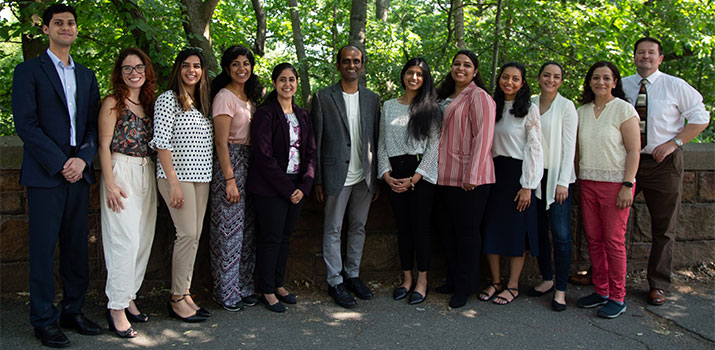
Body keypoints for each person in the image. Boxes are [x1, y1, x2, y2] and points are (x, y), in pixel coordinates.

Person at [12, 4, 102, 347]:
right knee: (43, 249)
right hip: (45, 173)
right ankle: (43, 319)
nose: (66, 27)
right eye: (59, 23)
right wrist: (60, 162)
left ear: (76, 30)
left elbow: (94, 126)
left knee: (77, 247)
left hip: (79, 173)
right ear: (46, 29)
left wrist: (82, 160)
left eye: (71, 23)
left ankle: (73, 310)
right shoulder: (28, 71)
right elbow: (27, 125)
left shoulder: (86, 75)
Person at [622, 37, 710, 306]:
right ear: (634, 56)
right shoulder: (622, 85)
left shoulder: (675, 86)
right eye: (640, 52)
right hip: (626, 163)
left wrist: (675, 143)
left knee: (664, 227)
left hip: (663, 165)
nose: (645, 57)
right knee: (614, 222)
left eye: (651, 53)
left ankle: (658, 284)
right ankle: (603, 274)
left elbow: (700, 118)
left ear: (660, 58)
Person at [311, 45, 381, 309]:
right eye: (346, 61)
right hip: (335, 175)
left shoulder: (372, 99)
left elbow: (375, 139)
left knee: (358, 228)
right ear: (338, 65)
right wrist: (318, 178)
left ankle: (352, 275)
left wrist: (377, 179)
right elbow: (316, 141)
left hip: (364, 176)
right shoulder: (322, 97)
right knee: (332, 229)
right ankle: (335, 281)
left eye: (357, 61)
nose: (352, 65)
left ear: (362, 65)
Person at [150, 47, 213, 323]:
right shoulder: (167, 99)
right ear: (179, 69)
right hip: (177, 176)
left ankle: (186, 292)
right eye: (186, 65)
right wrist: (173, 182)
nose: (192, 70)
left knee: (195, 236)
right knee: (186, 234)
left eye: (197, 66)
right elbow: (161, 142)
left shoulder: (202, 102)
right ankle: (176, 298)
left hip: (202, 176)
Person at [98, 47, 157, 338]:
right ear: (119, 73)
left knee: (143, 238)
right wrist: (110, 184)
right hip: (121, 170)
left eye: (139, 68)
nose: (134, 73)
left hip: (146, 171)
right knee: (124, 240)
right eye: (127, 68)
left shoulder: (149, 102)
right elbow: (103, 146)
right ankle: (116, 307)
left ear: (146, 71)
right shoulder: (113, 103)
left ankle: (129, 295)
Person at [247, 63, 316, 313]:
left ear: (297, 83)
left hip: (297, 185)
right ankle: (266, 289)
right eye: (282, 80)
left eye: (292, 80)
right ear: (275, 83)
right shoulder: (266, 113)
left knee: (285, 238)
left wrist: (304, 185)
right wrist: (287, 189)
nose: (287, 84)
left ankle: (278, 283)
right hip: (271, 187)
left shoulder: (303, 114)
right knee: (270, 238)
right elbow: (263, 156)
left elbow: (310, 152)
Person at [575, 61, 640, 319]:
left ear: (615, 82)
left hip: (616, 185)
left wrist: (628, 184)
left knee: (613, 241)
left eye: (606, 78)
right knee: (594, 238)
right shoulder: (581, 111)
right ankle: (601, 290)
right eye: (595, 78)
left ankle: (617, 296)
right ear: (589, 82)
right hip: (587, 182)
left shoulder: (624, 110)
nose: (600, 82)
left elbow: (634, 150)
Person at [434, 50, 496, 308]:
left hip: (470, 178)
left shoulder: (479, 97)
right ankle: (452, 278)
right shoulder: (443, 97)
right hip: (442, 175)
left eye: (467, 65)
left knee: (467, 234)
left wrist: (473, 174)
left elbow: (484, 137)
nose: (461, 68)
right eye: (457, 63)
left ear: (475, 71)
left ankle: (466, 285)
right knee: (447, 232)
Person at [378, 58, 442, 305]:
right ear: (403, 75)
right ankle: (406, 279)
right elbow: (381, 142)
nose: (414, 77)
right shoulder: (389, 106)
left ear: (425, 79)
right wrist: (385, 174)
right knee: (402, 228)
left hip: (420, 175)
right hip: (394, 173)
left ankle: (422, 281)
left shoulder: (431, 108)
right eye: (410, 73)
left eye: (419, 74)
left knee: (420, 229)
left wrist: (415, 178)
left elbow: (434, 146)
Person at [481, 62, 543, 305]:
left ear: (523, 83)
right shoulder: (491, 106)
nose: (509, 82)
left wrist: (528, 184)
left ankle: (513, 285)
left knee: (518, 232)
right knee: (491, 230)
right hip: (493, 174)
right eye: (505, 77)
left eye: (515, 79)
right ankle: (495, 281)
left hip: (518, 176)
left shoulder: (529, 109)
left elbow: (535, 147)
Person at [209, 45, 262, 311]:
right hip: (230, 165)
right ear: (227, 68)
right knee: (228, 231)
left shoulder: (250, 97)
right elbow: (220, 143)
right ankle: (226, 292)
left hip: (251, 165)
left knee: (247, 231)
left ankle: (243, 286)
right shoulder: (224, 97)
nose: (242, 68)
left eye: (246, 63)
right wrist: (229, 179)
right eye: (235, 64)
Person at [526, 62, 578, 311]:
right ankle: (547, 278)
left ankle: (561, 289)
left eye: (556, 76)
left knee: (561, 234)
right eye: (546, 75)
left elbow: (569, 148)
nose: (551, 79)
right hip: (533, 176)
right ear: (538, 78)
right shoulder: (530, 103)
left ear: (561, 81)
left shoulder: (566, 106)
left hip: (558, 178)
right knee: (538, 232)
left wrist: (562, 182)